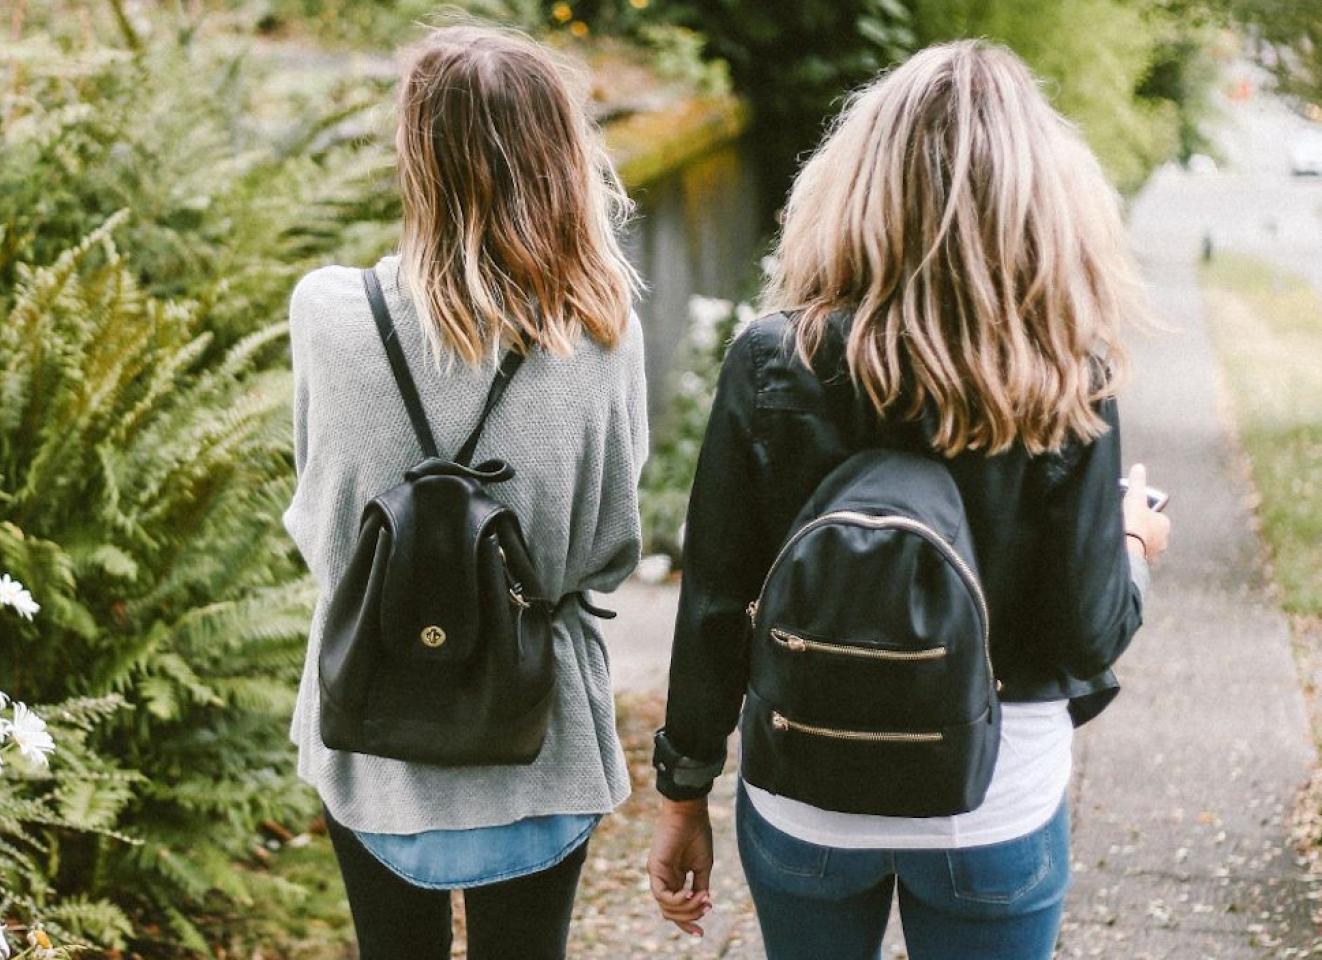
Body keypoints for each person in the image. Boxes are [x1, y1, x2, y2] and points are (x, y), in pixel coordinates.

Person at [646, 40, 1173, 959]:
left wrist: (683, 790)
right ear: (1045, 200)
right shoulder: (1064, 376)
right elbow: (1089, 630)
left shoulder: (775, 359)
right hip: (994, 803)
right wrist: (1132, 541)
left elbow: (716, 602)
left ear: (854, 182)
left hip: (808, 794)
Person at [283, 24, 647, 960]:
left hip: (375, 729)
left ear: (417, 156)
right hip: (539, 731)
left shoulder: (327, 312)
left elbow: (321, 523)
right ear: (563, 154)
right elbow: (611, 539)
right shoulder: (605, 334)